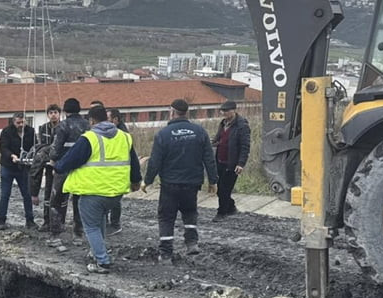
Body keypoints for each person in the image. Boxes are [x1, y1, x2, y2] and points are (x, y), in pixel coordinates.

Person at [55, 105, 142, 274]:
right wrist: (136, 181)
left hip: (93, 191)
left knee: (91, 227)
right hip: (116, 191)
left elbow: (69, 161)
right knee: (100, 219)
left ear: (92, 121)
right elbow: (134, 162)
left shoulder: (89, 138)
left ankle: (102, 262)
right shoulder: (124, 137)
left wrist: (57, 166)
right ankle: (97, 253)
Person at [142, 99, 217, 263]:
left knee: (166, 217)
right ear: (186, 112)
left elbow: (155, 161)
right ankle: (191, 243)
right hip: (192, 183)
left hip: (170, 184)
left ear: (172, 111)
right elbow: (209, 158)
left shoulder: (163, 134)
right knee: (190, 211)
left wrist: (147, 181)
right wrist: (213, 180)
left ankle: (166, 253)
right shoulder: (199, 132)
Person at [48, 98, 89, 248]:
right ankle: (78, 235)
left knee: (56, 201)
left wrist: (53, 161)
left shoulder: (63, 126)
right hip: (82, 168)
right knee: (79, 201)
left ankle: (55, 235)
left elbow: (55, 149)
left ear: (65, 111)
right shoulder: (87, 125)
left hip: (64, 167)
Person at [211, 100, 251, 221]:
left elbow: (245, 146)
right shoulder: (223, 124)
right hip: (220, 160)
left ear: (233, 111)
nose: (224, 113)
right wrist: (214, 142)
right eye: (222, 111)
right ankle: (231, 207)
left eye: (226, 111)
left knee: (225, 189)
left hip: (232, 163)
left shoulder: (242, 126)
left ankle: (221, 213)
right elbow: (219, 138)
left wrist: (241, 163)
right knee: (220, 189)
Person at [0, 112, 37, 230]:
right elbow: (3, 148)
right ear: (13, 122)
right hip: (8, 166)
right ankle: (1, 221)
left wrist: (33, 157)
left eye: (23, 122)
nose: (21, 125)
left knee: (27, 194)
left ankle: (30, 221)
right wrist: (12, 156)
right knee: (5, 194)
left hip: (23, 168)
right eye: (18, 123)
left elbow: (35, 146)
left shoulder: (31, 131)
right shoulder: (6, 132)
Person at [30, 104, 62, 230]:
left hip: (60, 165)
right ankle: (47, 221)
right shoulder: (44, 128)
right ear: (48, 115)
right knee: (48, 192)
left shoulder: (63, 127)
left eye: (55, 112)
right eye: (51, 113)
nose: (53, 115)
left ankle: (59, 222)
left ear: (59, 114)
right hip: (48, 165)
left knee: (60, 195)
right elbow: (42, 145)